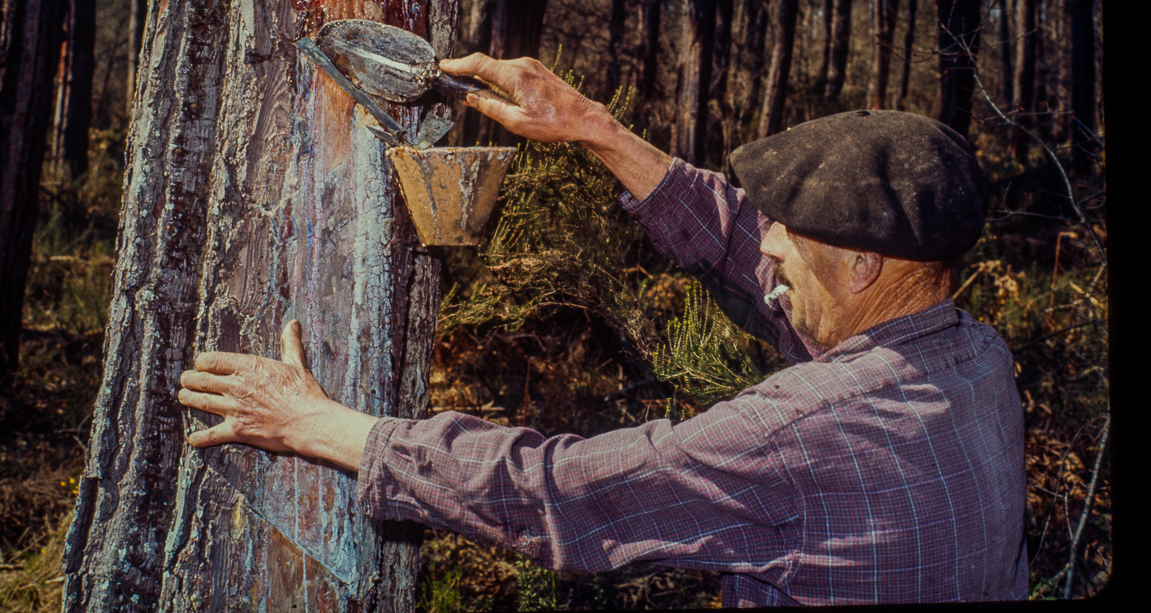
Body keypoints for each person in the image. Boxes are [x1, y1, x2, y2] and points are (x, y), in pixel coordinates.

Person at [177, 54, 1027, 606]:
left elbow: (566, 492)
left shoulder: (798, 431)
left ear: (862, 267)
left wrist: (321, 426)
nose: (765, 244)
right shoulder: (973, 358)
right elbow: (746, 252)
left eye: (787, 234)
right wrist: (595, 129)